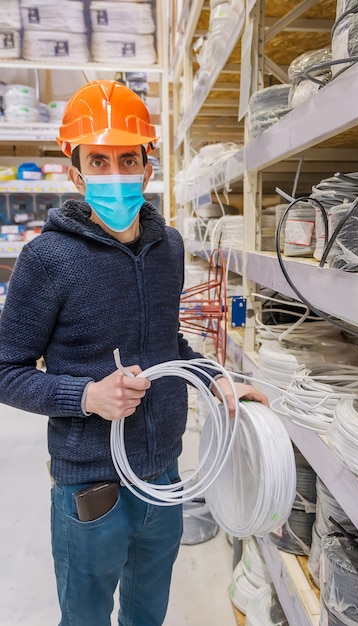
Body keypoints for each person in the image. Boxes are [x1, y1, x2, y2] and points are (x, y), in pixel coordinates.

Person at [0, 79, 268, 626]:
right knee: (87, 616)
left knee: (148, 613)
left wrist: (216, 378)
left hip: (164, 477)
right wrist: (88, 395)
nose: (115, 174)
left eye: (128, 158)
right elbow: (6, 371)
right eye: (98, 160)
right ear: (75, 172)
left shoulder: (167, 246)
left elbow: (169, 343)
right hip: (91, 485)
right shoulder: (46, 260)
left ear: (148, 165)